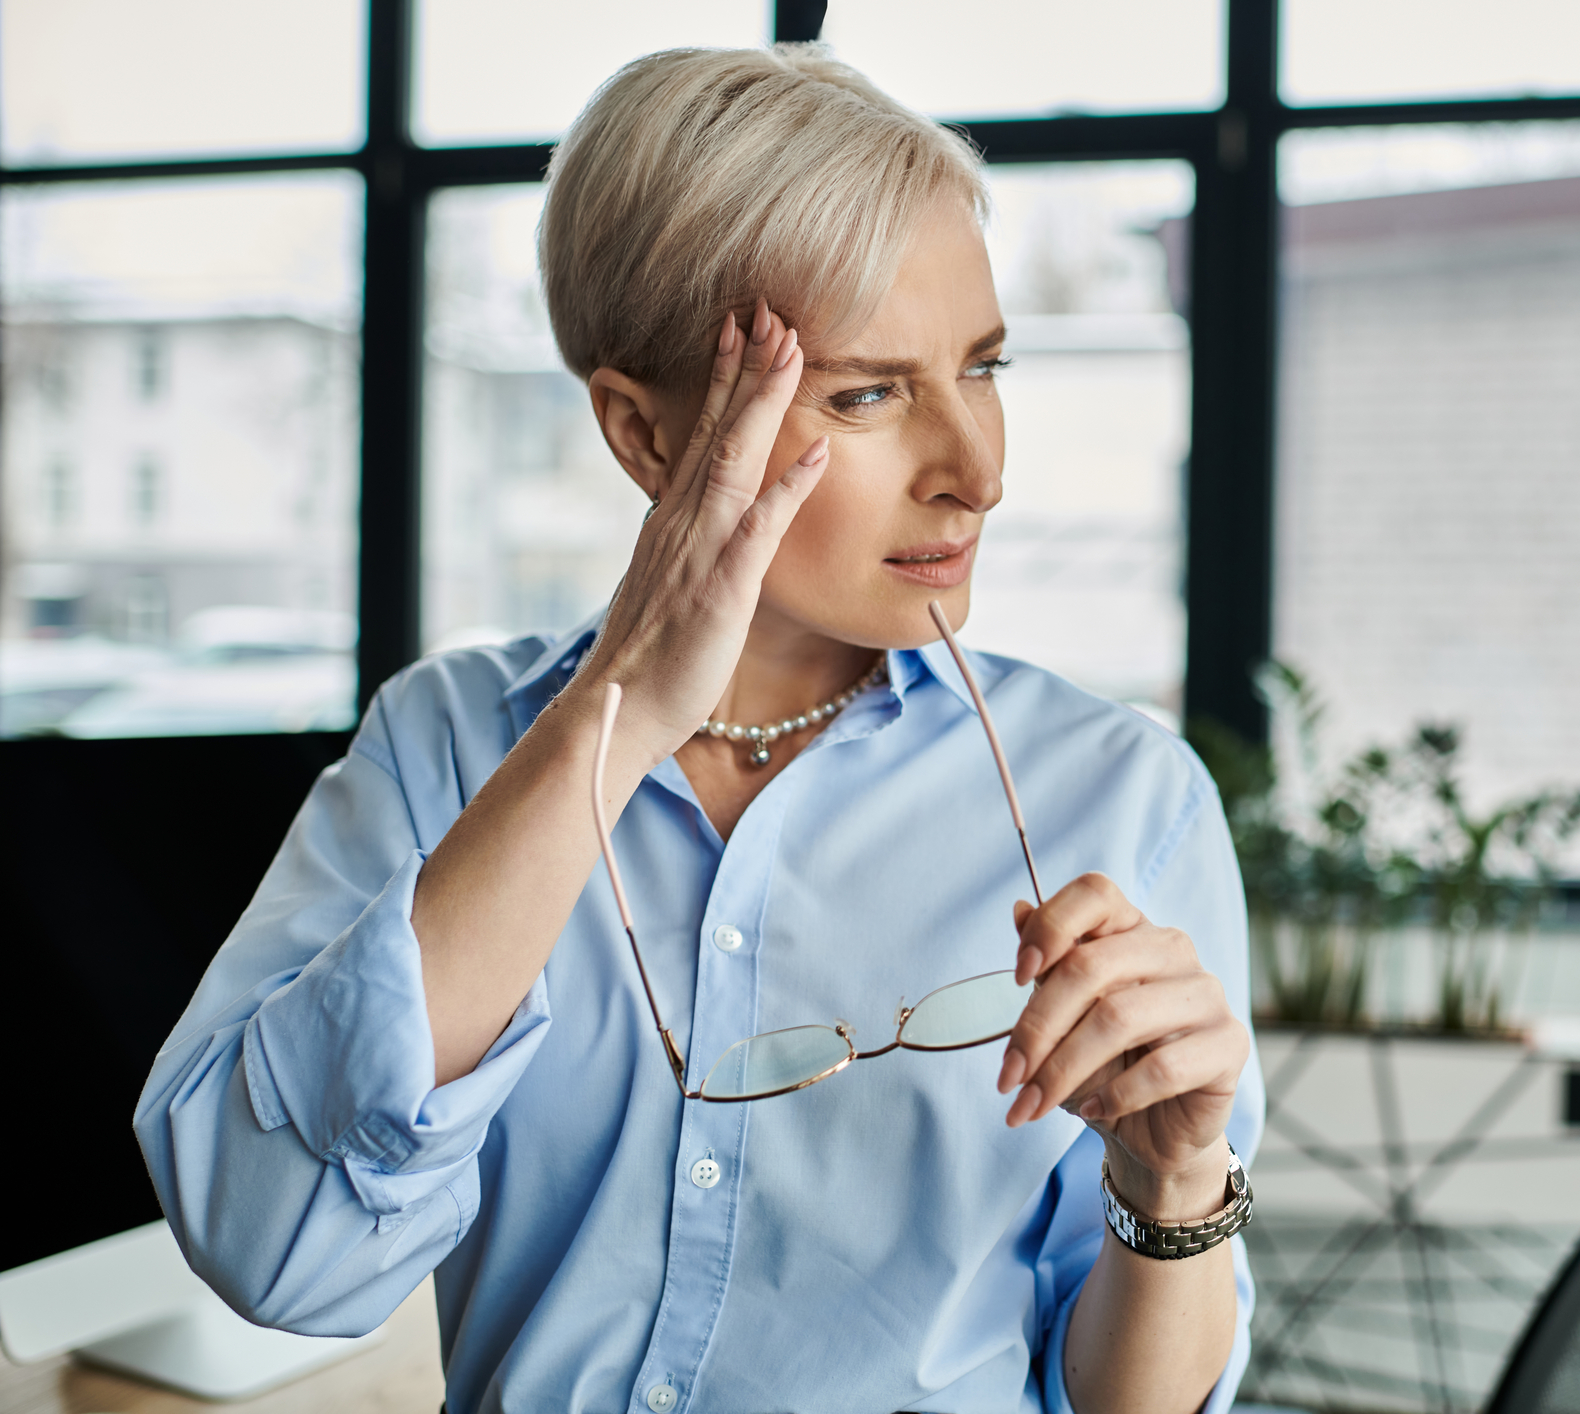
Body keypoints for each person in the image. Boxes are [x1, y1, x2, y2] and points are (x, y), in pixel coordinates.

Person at [133, 43, 1263, 1414]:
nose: (979, 470)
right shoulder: (443, 744)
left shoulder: (1119, 794)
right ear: (643, 433)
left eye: (983, 365)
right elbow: (271, 1254)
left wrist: (1171, 1180)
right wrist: (618, 712)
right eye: (867, 391)